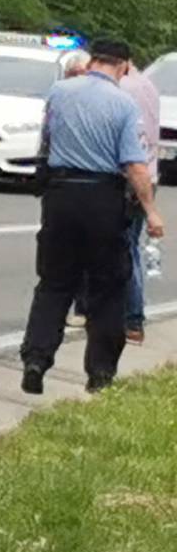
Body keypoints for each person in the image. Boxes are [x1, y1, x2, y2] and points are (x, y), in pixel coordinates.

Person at [21, 38, 163, 396]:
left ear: (93, 60)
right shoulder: (123, 105)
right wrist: (150, 210)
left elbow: (48, 139)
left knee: (53, 284)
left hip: (60, 196)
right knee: (107, 288)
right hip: (103, 198)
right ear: (124, 66)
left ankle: (36, 359)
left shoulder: (59, 91)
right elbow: (134, 165)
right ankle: (100, 373)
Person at [121, 53, 164, 342]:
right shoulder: (148, 85)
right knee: (131, 248)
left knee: (124, 250)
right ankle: (133, 320)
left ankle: (132, 319)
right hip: (150, 173)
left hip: (131, 177)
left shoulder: (122, 88)